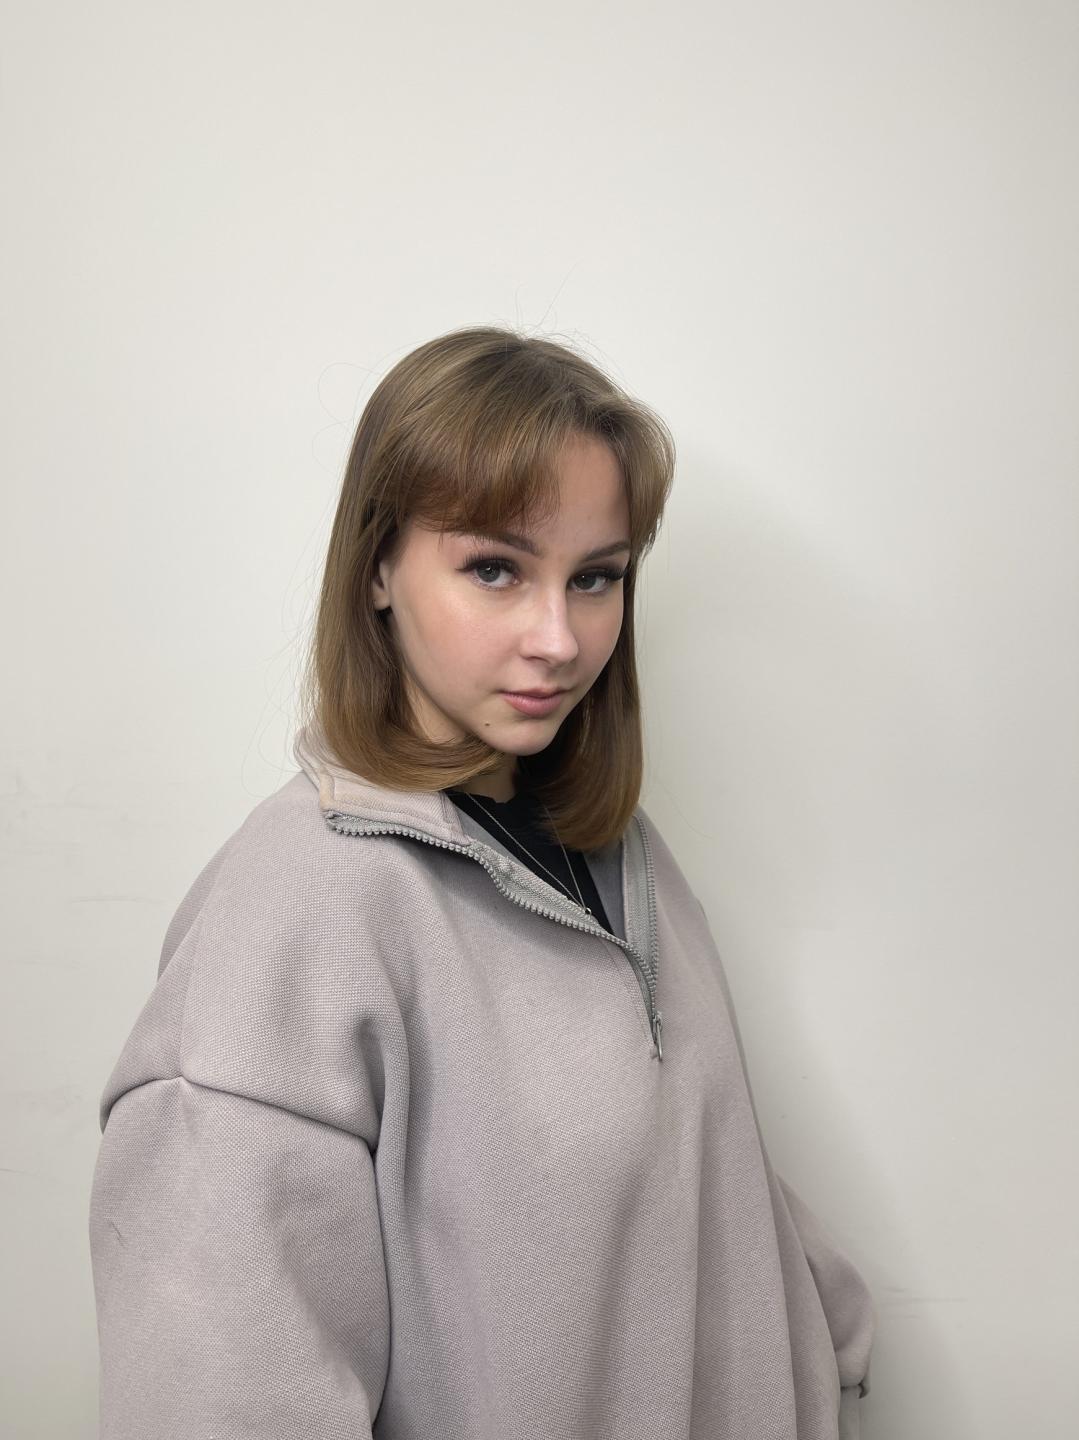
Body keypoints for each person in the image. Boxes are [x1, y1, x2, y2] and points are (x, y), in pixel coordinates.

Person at [88, 324, 876, 1439]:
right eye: (494, 569)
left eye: (595, 577)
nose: (558, 638)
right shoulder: (299, 911)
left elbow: (695, 1183)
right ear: (377, 568)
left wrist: (826, 1345)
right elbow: (218, 1394)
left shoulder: (622, 856)